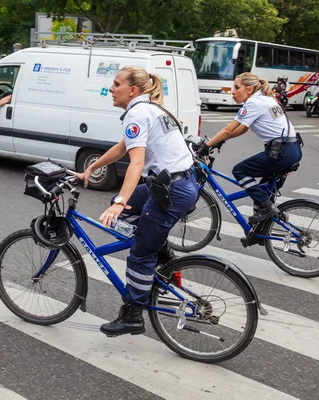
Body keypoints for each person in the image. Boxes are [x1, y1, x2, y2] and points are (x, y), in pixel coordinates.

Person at [76, 66, 199, 337]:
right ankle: (163, 254)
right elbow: (122, 148)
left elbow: (137, 162)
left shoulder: (138, 112)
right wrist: (91, 168)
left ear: (132, 90)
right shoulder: (151, 109)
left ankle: (133, 315)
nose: (111, 89)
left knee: (140, 254)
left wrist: (121, 201)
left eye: (116, 84)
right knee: (130, 214)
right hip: (177, 184)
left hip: (172, 191)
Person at [195, 72, 302, 224]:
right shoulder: (266, 100)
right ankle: (266, 224)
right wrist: (220, 140)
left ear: (249, 89)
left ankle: (267, 208)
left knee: (240, 171)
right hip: (291, 150)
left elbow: (228, 129)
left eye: (237, 87)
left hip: (281, 152)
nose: (233, 91)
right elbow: (242, 129)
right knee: (263, 193)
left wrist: (206, 146)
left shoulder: (253, 103)